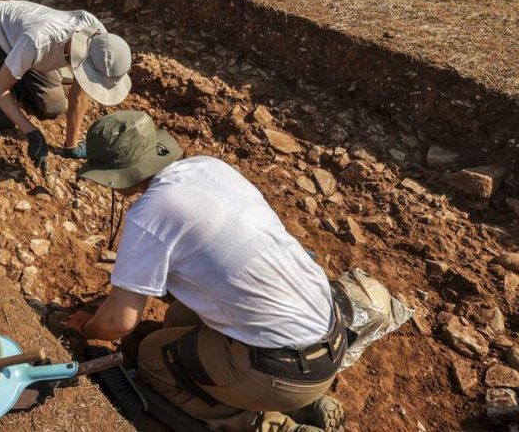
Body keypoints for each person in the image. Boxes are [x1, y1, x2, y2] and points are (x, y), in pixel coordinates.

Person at [65, 111, 348, 432]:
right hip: (331, 338)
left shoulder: (150, 213)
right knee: (177, 321)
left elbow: (118, 323)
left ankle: (275, 425)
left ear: (114, 175)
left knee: (154, 356)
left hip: (283, 372)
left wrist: (85, 329)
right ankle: (309, 404)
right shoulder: (208, 167)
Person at [0, 0, 132, 173]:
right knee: (2, 120)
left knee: (54, 106)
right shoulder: (38, 42)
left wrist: (71, 145)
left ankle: (14, 71)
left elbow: (79, 96)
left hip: (25, 47)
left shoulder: (101, 42)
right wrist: (32, 132)